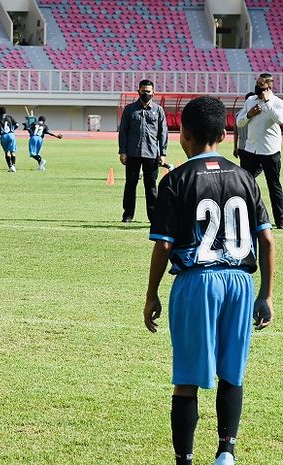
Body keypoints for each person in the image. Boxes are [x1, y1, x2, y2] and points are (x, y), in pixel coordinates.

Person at [143, 96, 275, 465]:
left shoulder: (176, 179)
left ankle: (184, 458)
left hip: (198, 282)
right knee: (232, 371)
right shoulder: (245, 177)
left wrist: (151, 294)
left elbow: (164, 246)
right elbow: (267, 238)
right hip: (240, 282)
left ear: (183, 134)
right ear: (223, 132)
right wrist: (266, 295)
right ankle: (226, 452)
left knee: (187, 375)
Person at [236, 73, 283, 228]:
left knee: (274, 186)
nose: (257, 87)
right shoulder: (250, 101)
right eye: (257, 83)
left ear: (268, 87)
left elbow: (280, 120)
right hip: (251, 150)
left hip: (270, 151)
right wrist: (249, 114)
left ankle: (280, 221)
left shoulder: (277, 102)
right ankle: (247, 217)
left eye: (261, 84)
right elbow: (239, 122)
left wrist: (268, 102)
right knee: (245, 184)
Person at [118, 79, 168, 223]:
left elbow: (163, 133)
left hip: (152, 154)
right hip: (132, 153)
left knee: (151, 186)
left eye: (148, 91)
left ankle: (154, 216)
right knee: (130, 185)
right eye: (143, 91)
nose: (145, 93)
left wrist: (163, 153)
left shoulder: (158, 110)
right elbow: (123, 132)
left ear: (153, 93)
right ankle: (128, 214)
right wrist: (122, 151)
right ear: (138, 91)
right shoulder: (129, 109)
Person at [0, 107, 19, 172]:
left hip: (3, 136)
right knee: (12, 151)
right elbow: (17, 125)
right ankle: (13, 166)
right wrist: (12, 130)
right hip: (11, 135)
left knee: (7, 152)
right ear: (5, 111)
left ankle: (10, 167)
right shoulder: (10, 117)